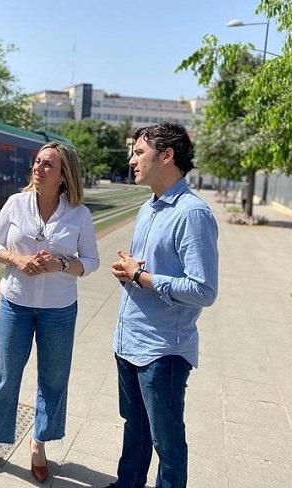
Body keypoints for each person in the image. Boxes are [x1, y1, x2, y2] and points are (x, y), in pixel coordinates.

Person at [0, 142, 100, 482]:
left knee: (54, 379)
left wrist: (59, 263)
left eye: (48, 165)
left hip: (58, 309)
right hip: (15, 303)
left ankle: (39, 442)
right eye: (38, 162)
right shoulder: (16, 204)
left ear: (63, 176)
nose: (39, 168)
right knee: (4, 374)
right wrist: (16, 260)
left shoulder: (79, 214)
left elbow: (91, 262)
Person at [105, 122, 218, 488]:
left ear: (166, 156)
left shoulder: (192, 213)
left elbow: (203, 289)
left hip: (163, 351)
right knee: (134, 428)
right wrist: (132, 272)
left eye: (139, 152)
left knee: (167, 444)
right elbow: (148, 270)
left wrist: (142, 278)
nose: (131, 160)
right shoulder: (148, 208)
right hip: (131, 340)